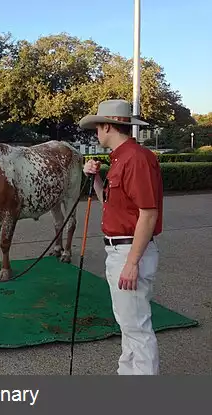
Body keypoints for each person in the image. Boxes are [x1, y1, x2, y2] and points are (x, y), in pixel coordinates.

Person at [78, 99, 163, 375]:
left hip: (129, 250)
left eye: (97, 128)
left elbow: (148, 213)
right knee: (128, 323)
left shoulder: (135, 159)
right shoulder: (121, 159)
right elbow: (111, 204)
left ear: (106, 126)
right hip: (120, 250)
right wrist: (96, 180)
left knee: (137, 328)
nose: (96, 134)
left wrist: (132, 262)